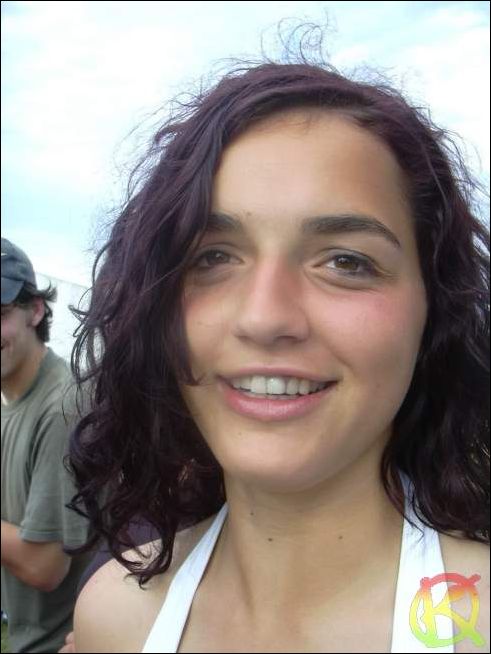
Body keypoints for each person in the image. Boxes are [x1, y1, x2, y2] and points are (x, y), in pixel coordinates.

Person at [68, 36, 489, 653]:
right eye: (212, 256)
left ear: (435, 309)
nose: (264, 317)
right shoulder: (114, 618)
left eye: (345, 261)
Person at [1, 238, 91, 653]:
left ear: (35, 311)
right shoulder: (11, 399)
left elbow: (45, 566)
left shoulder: (63, 406)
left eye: (0, 314)